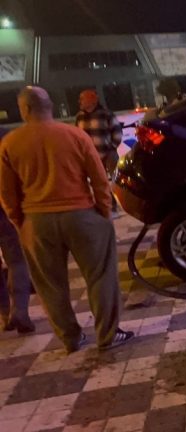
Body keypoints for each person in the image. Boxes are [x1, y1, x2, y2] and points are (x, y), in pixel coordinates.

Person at [0, 87, 134, 353]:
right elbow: (98, 178)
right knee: (100, 275)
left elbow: (6, 192)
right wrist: (103, 214)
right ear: (49, 105)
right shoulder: (74, 135)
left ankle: (71, 338)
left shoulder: (11, 143)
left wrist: (20, 222)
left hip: (36, 220)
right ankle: (107, 335)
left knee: (51, 284)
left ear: (24, 109)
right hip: (82, 215)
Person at [0, 127, 35, 334]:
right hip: (6, 209)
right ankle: (20, 311)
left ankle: (5, 315)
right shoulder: (9, 138)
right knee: (17, 261)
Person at [75, 89, 122, 213]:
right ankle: (109, 205)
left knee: (115, 180)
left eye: (82, 99)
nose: (79, 101)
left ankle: (123, 202)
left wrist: (111, 147)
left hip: (108, 154)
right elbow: (77, 136)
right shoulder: (80, 116)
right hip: (91, 156)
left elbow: (117, 132)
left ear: (92, 100)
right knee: (100, 183)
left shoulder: (106, 114)